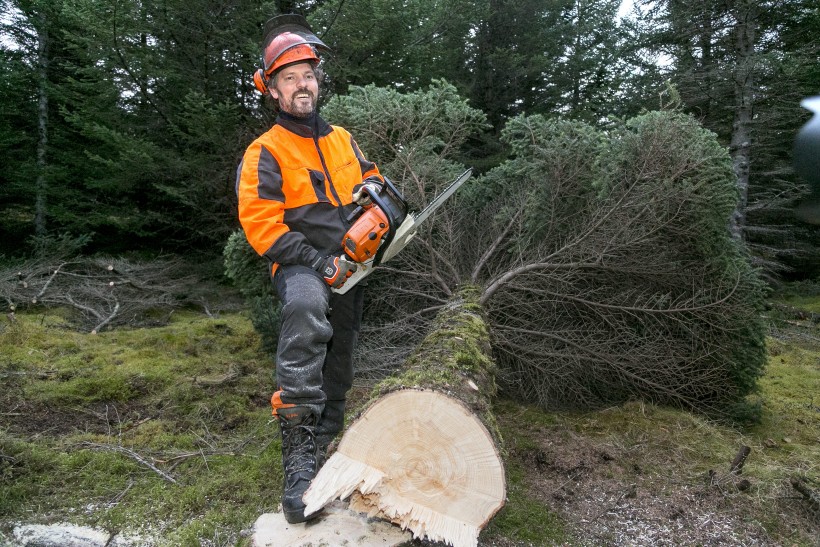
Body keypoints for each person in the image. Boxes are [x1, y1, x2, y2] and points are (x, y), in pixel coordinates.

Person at [235, 14, 384, 524]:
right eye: (291, 77)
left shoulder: (343, 138)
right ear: (272, 89)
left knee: (339, 357)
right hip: (299, 262)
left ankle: (324, 448)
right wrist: (316, 260)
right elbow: (260, 224)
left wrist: (381, 209)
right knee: (304, 307)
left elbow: (372, 182)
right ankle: (298, 464)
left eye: (309, 75)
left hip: (349, 260)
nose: (304, 84)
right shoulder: (266, 151)